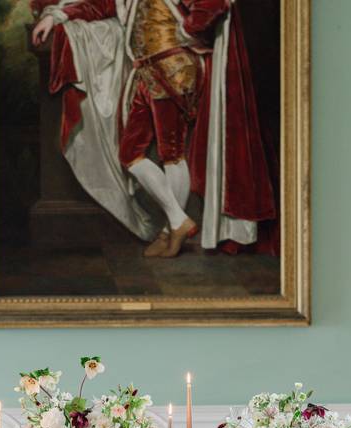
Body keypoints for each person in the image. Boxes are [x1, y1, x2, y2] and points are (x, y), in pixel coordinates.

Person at [32, 0, 278, 259]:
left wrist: (187, 30)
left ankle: (170, 232)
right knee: (131, 153)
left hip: (174, 69)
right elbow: (102, 5)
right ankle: (176, 221)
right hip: (147, 72)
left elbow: (213, 4)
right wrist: (57, 17)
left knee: (171, 152)